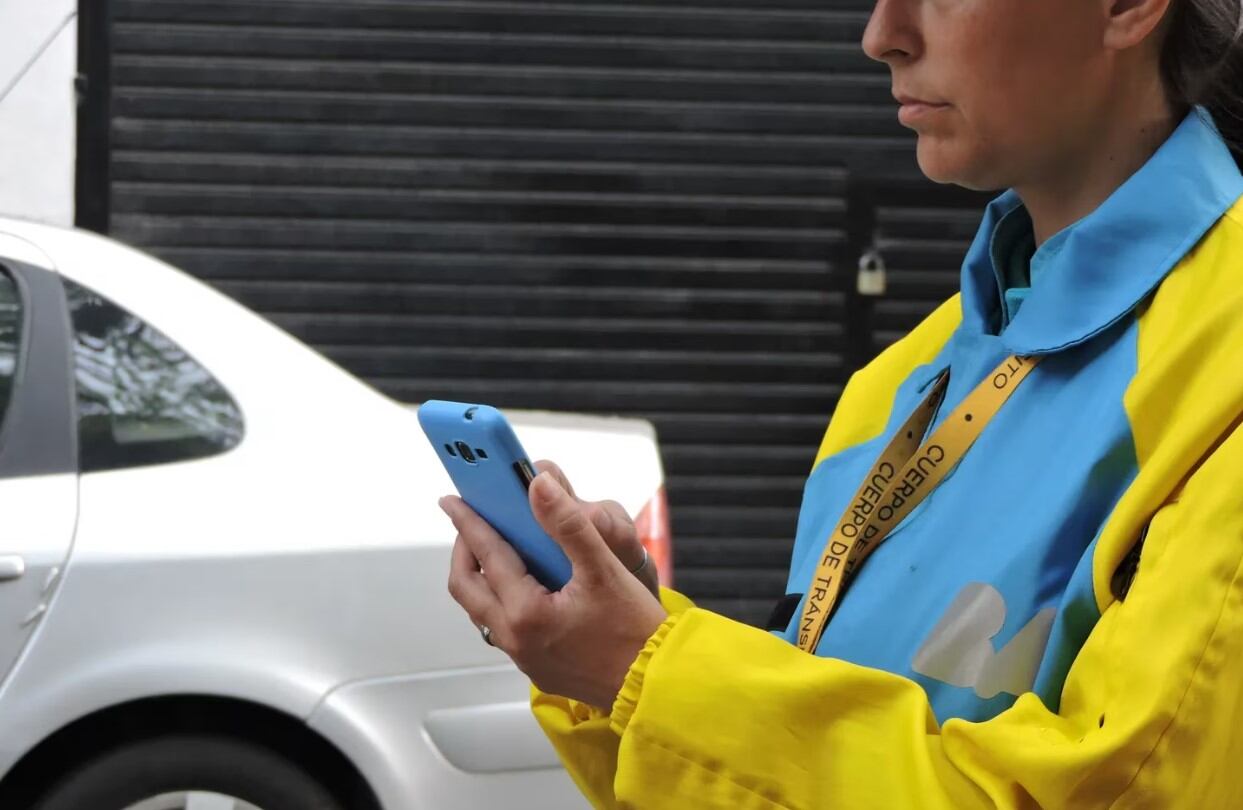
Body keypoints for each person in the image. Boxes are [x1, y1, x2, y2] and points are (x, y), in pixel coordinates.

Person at [440, 0, 1243, 804]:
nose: (881, 35)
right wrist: (622, 653)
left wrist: (644, 671)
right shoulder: (904, 376)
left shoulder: (1221, 377)